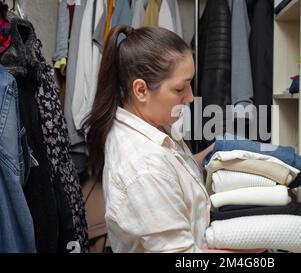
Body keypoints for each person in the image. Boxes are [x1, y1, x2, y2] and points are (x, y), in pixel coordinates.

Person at [84, 25, 263, 253]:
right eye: (180, 88)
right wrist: (254, 251)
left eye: (190, 83)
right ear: (141, 90)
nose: (189, 97)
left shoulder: (154, 125)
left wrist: (217, 150)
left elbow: (177, 171)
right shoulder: (144, 167)